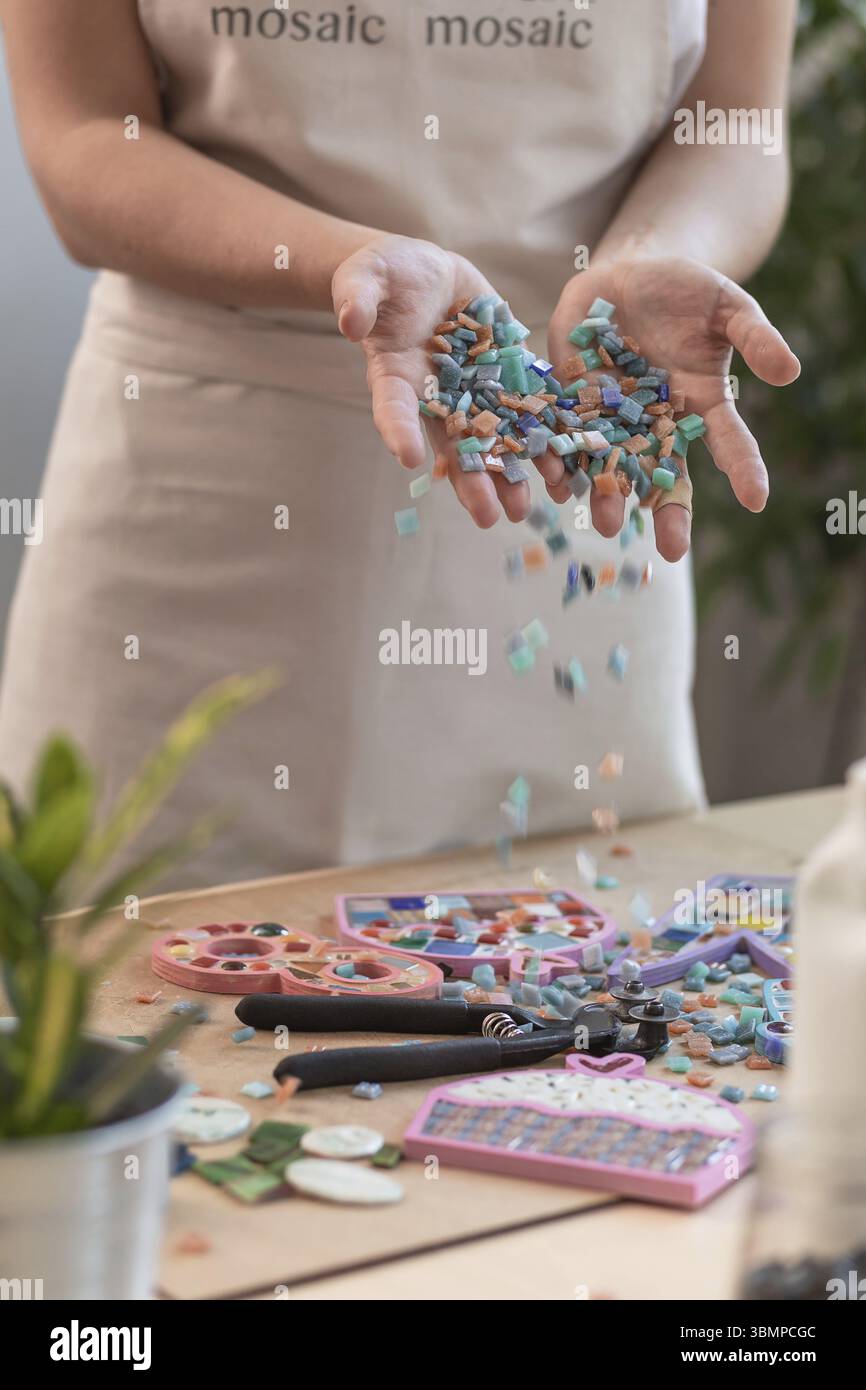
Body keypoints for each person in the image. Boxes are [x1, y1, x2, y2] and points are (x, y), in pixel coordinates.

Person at [0, 0, 799, 888]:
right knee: (136, 977)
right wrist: (344, 260)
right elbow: (80, 133)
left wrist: (646, 264)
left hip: (563, 450)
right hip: (203, 464)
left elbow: (736, 120)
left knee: (567, 972)